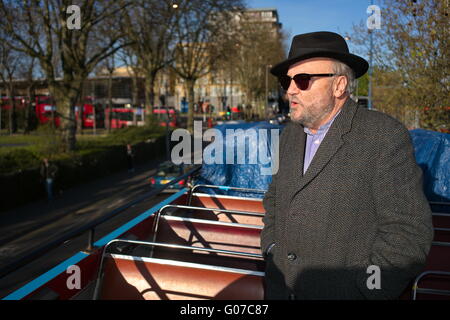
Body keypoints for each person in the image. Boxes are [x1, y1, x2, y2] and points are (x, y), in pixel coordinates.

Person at [261, 31, 433, 300]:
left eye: (303, 80)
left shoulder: (383, 136)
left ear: (339, 86)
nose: (290, 90)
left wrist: (365, 290)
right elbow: (274, 197)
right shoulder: (290, 135)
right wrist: (271, 247)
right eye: (287, 80)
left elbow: (408, 233)